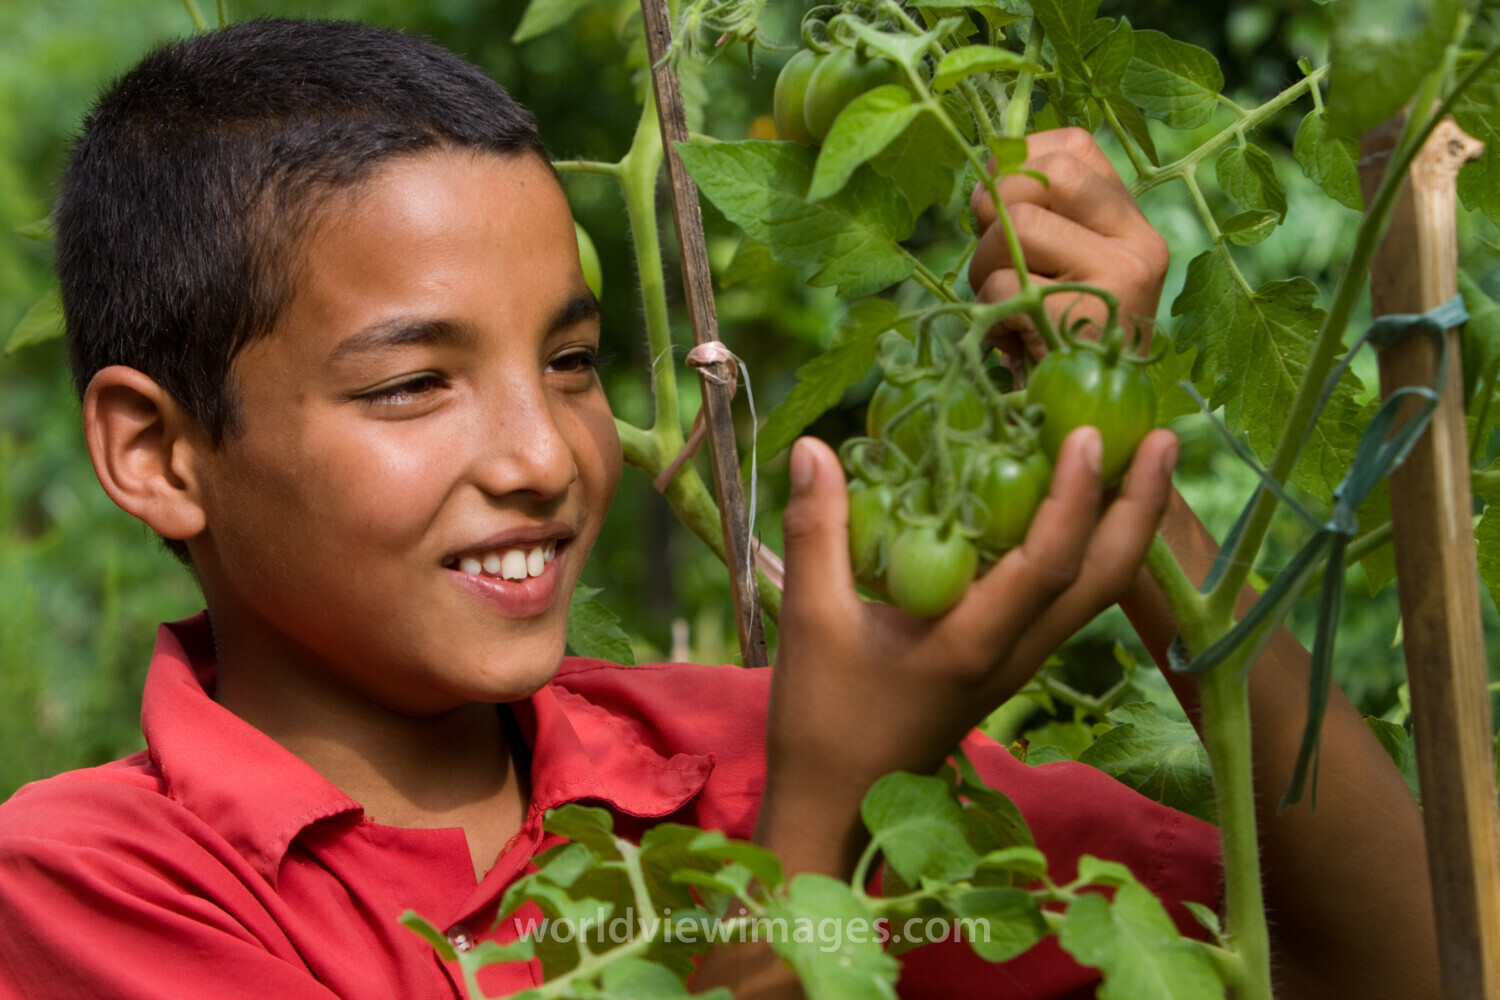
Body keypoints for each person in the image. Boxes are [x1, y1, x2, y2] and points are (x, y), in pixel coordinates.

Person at [0, 17, 1435, 1000]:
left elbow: (1401, 965)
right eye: (412, 386)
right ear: (158, 453)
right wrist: (818, 823)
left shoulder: (720, 757)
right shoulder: (87, 887)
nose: (547, 457)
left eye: (569, 362)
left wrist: (1109, 458)